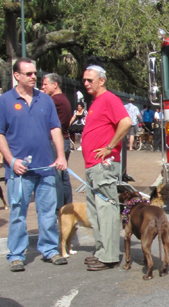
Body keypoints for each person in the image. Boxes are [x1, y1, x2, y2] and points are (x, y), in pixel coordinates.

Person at [0, 58, 68, 270]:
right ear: (16, 76)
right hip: (18, 171)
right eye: (28, 73)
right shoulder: (5, 101)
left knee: (47, 211)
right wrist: (11, 161)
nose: (33, 77)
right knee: (18, 213)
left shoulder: (45, 100)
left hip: (46, 167)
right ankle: (17, 255)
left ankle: (50, 250)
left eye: (34, 73)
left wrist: (60, 156)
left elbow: (55, 129)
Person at [81, 62, 131, 271]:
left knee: (107, 209)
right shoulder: (96, 102)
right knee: (96, 212)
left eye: (89, 80)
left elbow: (126, 122)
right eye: (84, 80)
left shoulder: (109, 99)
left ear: (102, 81)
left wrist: (109, 147)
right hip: (93, 165)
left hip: (104, 165)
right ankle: (102, 251)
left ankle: (110, 255)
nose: (85, 84)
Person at [41, 73, 73, 212]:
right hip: (64, 140)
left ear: (55, 84)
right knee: (63, 176)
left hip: (56, 142)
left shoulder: (54, 101)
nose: (43, 87)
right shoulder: (63, 99)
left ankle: (59, 208)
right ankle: (67, 206)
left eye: (45, 84)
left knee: (56, 177)